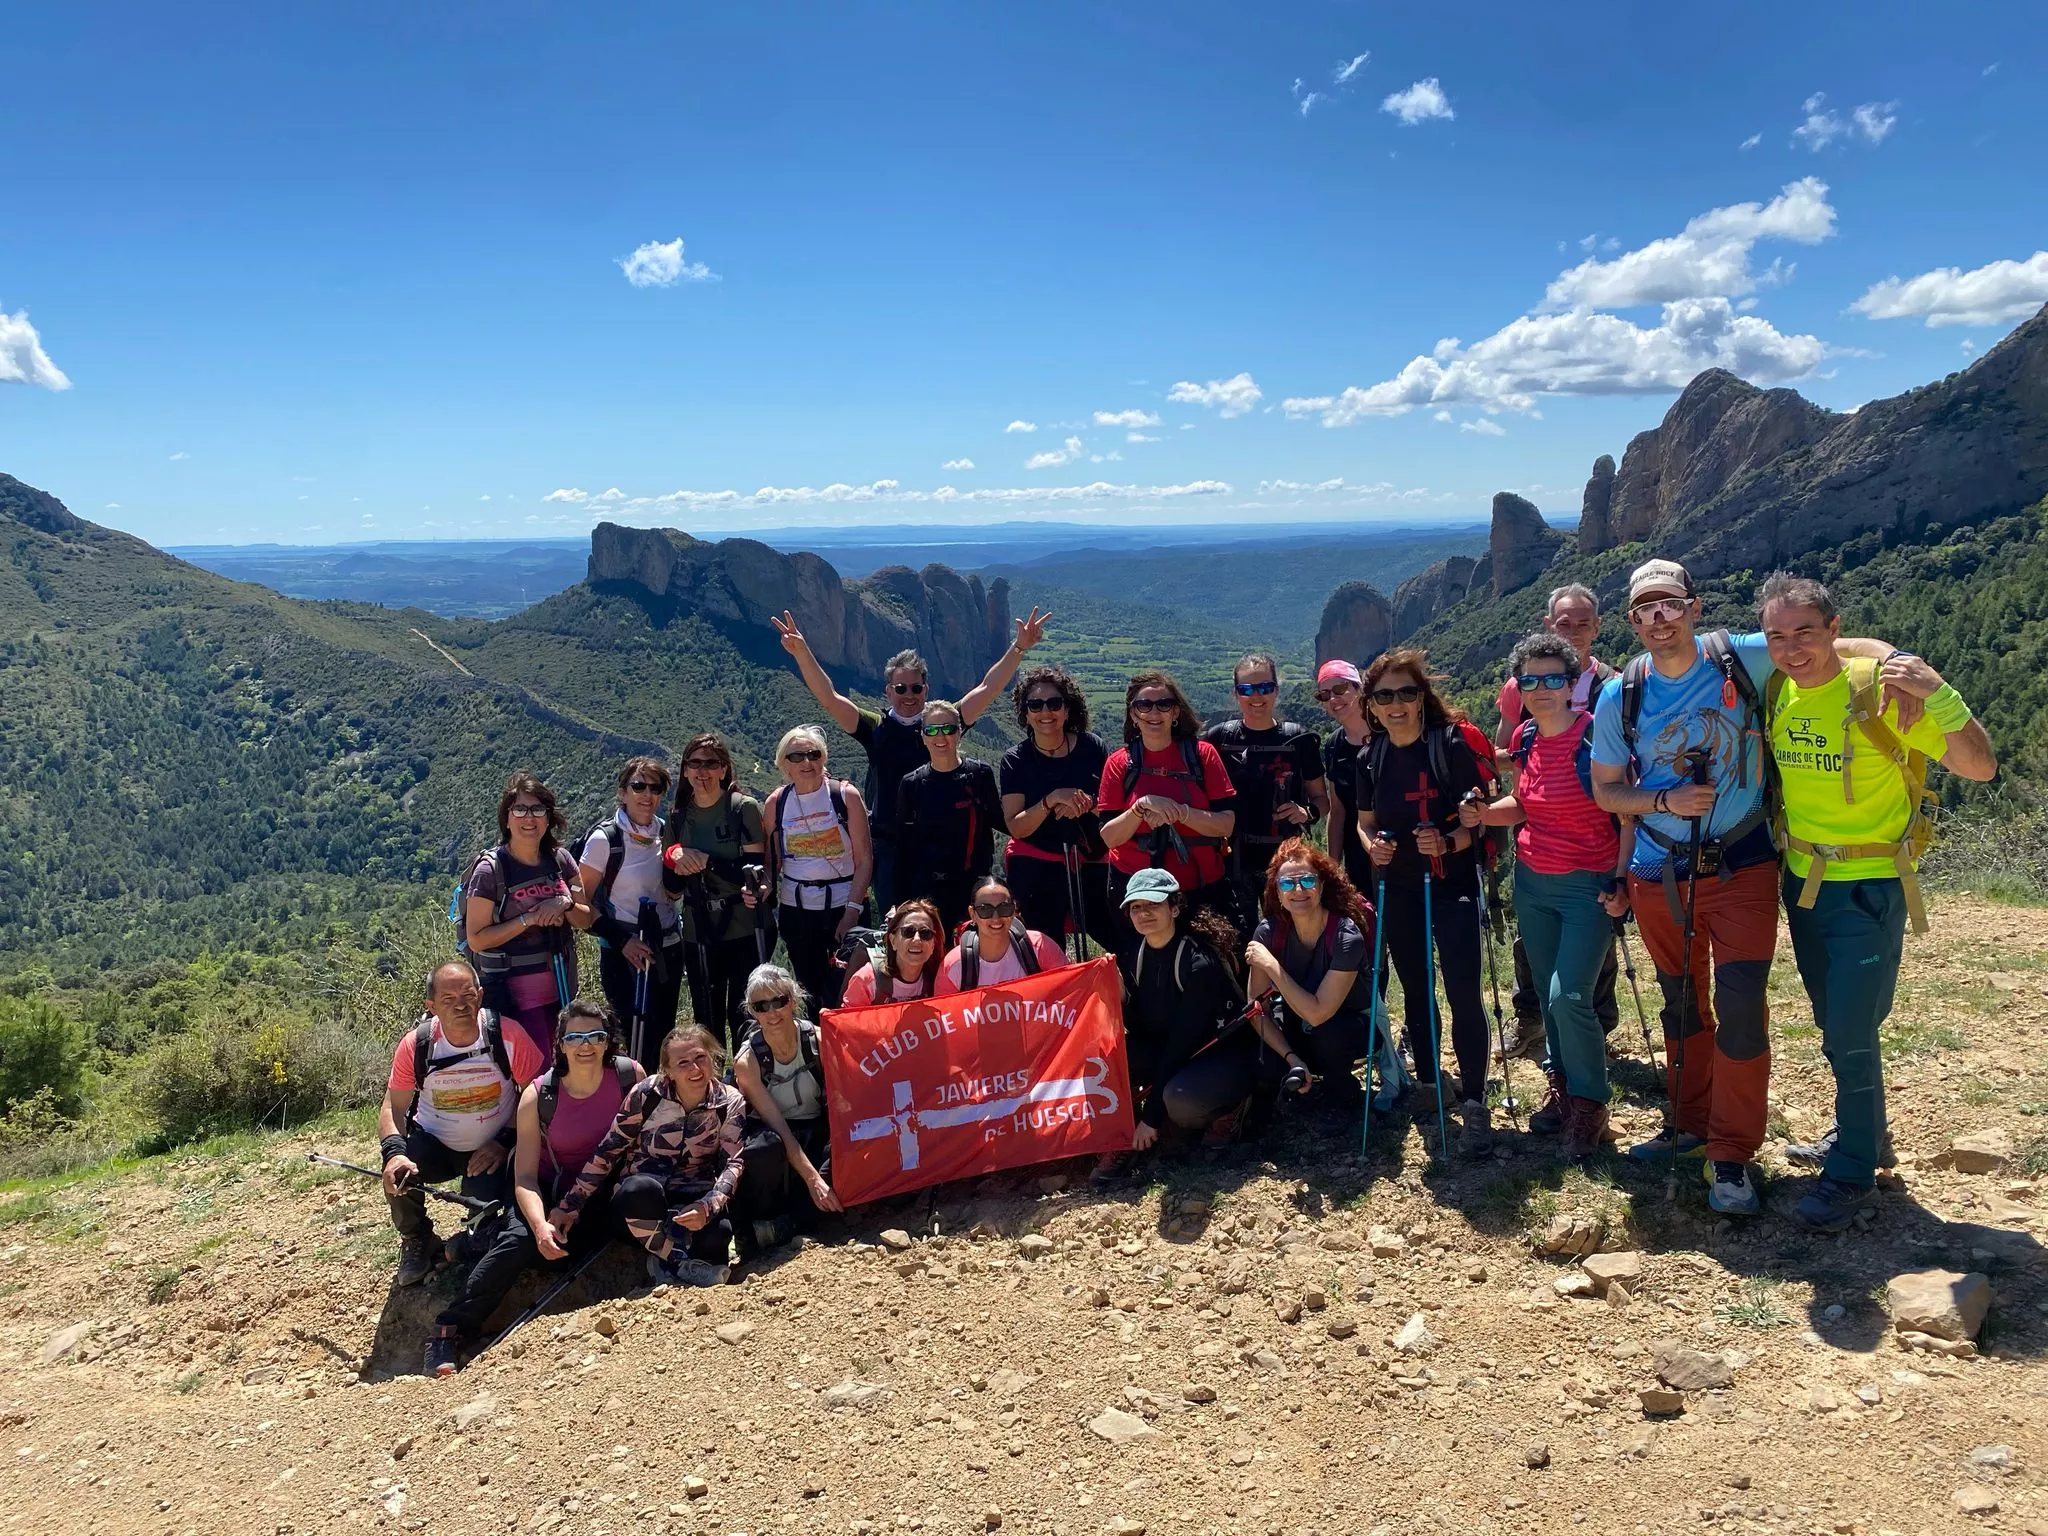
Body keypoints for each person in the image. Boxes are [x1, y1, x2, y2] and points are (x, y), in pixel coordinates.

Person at [1589, 557, 1907, 1216]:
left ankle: (1730, 1154)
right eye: (1645, 609)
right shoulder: (1622, 692)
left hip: (1742, 864)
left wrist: (1897, 663)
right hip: (1659, 870)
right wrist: (1665, 800)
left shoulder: (1740, 655)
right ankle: (1688, 1124)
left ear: (1694, 607)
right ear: (1632, 621)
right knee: (1681, 1005)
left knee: (1738, 1008)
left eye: (1670, 604)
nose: (1659, 619)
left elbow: (1833, 644)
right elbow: (1607, 789)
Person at [1756, 574, 1996, 1229]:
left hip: (1867, 889)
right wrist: (1880, 649)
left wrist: (1934, 690)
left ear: (1834, 630)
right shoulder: (1777, 688)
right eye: (1778, 635)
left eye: (1807, 631)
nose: (1791, 647)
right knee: (1838, 1026)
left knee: (1851, 1034)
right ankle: (1868, 1138)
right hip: (1804, 885)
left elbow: (1980, 765)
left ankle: (1854, 1172)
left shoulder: (1882, 697)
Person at [1461, 633, 1631, 1158]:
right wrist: (1486, 815)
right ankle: (1563, 1088)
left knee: (1568, 996)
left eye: (1552, 678)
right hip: (1533, 885)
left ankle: (1590, 1103)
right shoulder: (1529, 738)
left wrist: (1623, 883)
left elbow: (1626, 814)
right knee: (1550, 1000)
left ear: (1573, 681)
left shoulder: (1596, 738)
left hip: (1589, 887)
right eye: (1529, 680)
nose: (1540, 688)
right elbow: (1524, 803)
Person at [770, 606, 1051, 911]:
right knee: (904, 928)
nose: (909, 694)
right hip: (891, 848)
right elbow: (829, 696)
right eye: (900, 688)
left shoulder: (943, 722)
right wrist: (801, 652)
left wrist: (1019, 647)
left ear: (926, 689)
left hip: (950, 846)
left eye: (916, 687)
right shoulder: (875, 728)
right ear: (888, 691)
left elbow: (988, 687)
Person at [422, 999, 643, 1375]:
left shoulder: (629, 1077)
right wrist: (540, 1226)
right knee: (521, 1243)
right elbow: (523, 1177)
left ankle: (480, 1239)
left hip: (602, 1193)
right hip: (545, 1191)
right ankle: (451, 1329)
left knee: (587, 1244)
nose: (585, 1045)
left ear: (609, 1042)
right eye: (575, 1037)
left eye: (596, 1036)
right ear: (560, 1044)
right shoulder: (540, 1095)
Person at [1354, 650, 1496, 1155]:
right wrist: (1372, 846)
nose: (1396, 705)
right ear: (1370, 704)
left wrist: (1450, 840)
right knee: (1416, 989)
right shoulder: (1369, 758)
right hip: (1401, 887)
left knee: (1461, 990)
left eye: (1406, 694)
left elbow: (1474, 819)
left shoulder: (1451, 746)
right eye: (1384, 696)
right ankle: (1432, 1083)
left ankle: (1475, 1101)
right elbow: (1364, 821)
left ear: (1421, 699)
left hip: (1450, 884)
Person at [1492, 585, 1622, 1061]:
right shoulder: (1518, 689)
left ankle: (1594, 1032)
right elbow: (1509, 754)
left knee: (1593, 953)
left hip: (1592, 849)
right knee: (1536, 947)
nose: (1574, 631)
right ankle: (1536, 1027)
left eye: (1583, 623)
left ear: (1598, 627)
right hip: (1539, 846)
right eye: (1564, 624)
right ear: (1549, 626)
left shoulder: (1615, 684)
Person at [377, 960, 547, 1288]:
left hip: (492, 1149)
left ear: (480, 995)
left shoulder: (506, 1034)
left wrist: (506, 1139)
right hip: (432, 1145)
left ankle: (472, 1235)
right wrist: (395, 1153)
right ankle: (416, 1239)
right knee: (399, 1175)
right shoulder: (417, 1044)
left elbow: (535, 1094)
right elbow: (392, 1107)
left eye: (468, 994)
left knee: (481, 1227)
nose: (460, 1004)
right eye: (448, 998)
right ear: (431, 1006)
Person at [550, 1024, 745, 1287]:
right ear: (668, 1071)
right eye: (683, 1063)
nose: (695, 1069)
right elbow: (609, 1150)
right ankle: (677, 1261)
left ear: (713, 1057)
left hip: (691, 1196)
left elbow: (734, 1161)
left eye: (700, 1057)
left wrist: (707, 1207)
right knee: (638, 1192)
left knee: (719, 1235)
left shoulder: (729, 1101)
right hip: (641, 1199)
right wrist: (569, 1205)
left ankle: (661, 1255)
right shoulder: (647, 1094)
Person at [1094, 869, 1250, 1180]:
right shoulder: (1133, 955)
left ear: (1174, 908)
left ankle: (1233, 1106)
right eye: (1136, 907)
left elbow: (1181, 1043)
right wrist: (1120, 998)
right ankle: (1119, 1138)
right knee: (1102, 1064)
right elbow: (1143, 1027)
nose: (1144, 913)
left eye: (1152, 904)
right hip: (1172, 1052)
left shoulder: (1198, 962)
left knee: (1179, 1101)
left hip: (1216, 1055)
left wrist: (1151, 1118)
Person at [1244, 838, 1376, 1132]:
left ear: (1322, 885)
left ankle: (1341, 1095)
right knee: (1256, 1039)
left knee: (1329, 1032)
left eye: (1307, 880)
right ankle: (1291, 1085)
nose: (1298, 890)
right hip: (1296, 1025)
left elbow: (1318, 1013)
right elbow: (1256, 1009)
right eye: (1288, 884)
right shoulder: (1269, 932)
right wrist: (1290, 1057)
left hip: (1348, 1026)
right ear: (1277, 892)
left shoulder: (1345, 935)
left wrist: (1272, 966)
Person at [463, 772, 589, 1056]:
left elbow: (586, 918)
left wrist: (565, 904)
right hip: (512, 997)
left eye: (537, 809)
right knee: (537, 1072)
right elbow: (477, 939)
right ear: (506, 818)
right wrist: (528, 919)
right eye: (519, 809)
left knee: (563, 1068)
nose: (528, 818)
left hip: (563, 989)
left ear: (548, 817)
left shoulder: (561, 860)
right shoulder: (490, 871)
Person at [1097, 671, 1238, 925]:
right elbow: (1109, 837)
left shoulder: (1203, 756)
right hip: (1137, 895)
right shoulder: (1119, 764)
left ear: (1175, 713)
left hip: (1201, 889)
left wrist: (1180, 812)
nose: (1154, 713)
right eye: (1144, 705)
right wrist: (1140, 807)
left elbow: (1226, 824)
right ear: (1133, 714)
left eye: (1164, 704)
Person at [572, 757, 685, 1068]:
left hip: (666, 947)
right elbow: (579, 904)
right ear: (622, 792)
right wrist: (622, 941)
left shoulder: (666, 833)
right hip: (624, 954)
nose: (647, 795)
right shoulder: (605, 840)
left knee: (663, 1038)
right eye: (638, 786)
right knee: (629, 1042)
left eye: (655, 787)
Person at [999, 664, 1119, 954]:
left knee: (1118, 937)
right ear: (1025, 713)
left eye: (1054, 703)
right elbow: (1016, 826)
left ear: (1067, 709)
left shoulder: (1092, 747)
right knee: (1043, 947)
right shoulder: (1015, 760)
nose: (1045, 712)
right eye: (1036, 705)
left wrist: (1084, 804)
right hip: (1036, 864)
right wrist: (1051, 800)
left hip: (1091, 856)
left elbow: (1112, 806)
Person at [1203, 653, 1328, 927]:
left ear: (1276, 690)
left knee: (1290, 935)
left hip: (1287, 858)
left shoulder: (1300, 740)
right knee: (1240, 939)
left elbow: (1321, 799)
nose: (1256, 696)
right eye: (1246, 689)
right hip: (1234, 859)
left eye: (1265, 688)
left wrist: (1307, 812)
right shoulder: (1219, 739)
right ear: (1236, 694)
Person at [663, 735, 769, 1049]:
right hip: (699, 932)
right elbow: (671, 888)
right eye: (694, 763)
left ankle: (747, 1081)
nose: (702, 771)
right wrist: (675, 858)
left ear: (724, 769)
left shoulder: (742, 809)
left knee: (745, 1015)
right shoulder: (677, 817)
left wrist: (705, 862)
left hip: (744, 928)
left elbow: (752, 872)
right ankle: (712, 1085)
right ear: (684, 771)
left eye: (711, 763)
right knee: (705, 1017)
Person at [729, 965, 841, 1259]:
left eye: (778, 1001)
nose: (772, 1012)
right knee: (766, 1148)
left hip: (816, 1129)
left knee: (848, 1153)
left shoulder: (818, 1040)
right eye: (761, 1006)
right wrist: (812, 1178)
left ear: (793, 1000)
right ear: (752, 1011)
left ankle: (785, 1225)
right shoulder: (748, 1062)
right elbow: (780, 1129)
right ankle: (775, 1221)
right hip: (780, 1137)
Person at [762, 725, 873, 1011]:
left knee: (851, 987)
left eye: (813, 754)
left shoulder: (845, 795)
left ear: (823, 758)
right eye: (796, 756)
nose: (806, 763)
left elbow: (864, 859)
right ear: (783, 763)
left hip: (844, 906)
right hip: (797, 912)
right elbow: (773, 861)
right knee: (809, 991)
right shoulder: (777, 802)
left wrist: (851, 912)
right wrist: (763, 886)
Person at [894, 699, 1006, 932]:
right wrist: (901, 903)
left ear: (959, 732)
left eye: (948, 729)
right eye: (932, 730)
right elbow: (903, 848)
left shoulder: (980, 775)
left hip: (974, 890)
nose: (940, 736)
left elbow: (1002, 821)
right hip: (927, 892)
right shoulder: (911, 784)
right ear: (923, 736)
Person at [936, 873, 1069, 993]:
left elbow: (1071, 991)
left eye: (1004, 908)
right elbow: (945, 1016)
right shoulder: (954, 965)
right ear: (972, 914)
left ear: (1014, 911)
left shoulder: (1039, 948)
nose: (996, 918)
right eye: (985, 910)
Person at [1316, 659, 1375, 894]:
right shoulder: (1333, 746)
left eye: (1340, 689)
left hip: (1399, 855)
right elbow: (1337, 811)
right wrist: (1333, 868)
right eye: (1324, 695)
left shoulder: (1389, 734)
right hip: (1356, 859)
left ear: (1359, 688)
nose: (1333, 699)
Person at [839, 898, 945, 1007]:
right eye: (908, 932)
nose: (917, 939)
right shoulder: (867, 979)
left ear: (933, 944)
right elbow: (847, 1021)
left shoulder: (941, 978)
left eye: (925, 933)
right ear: (892, 940)